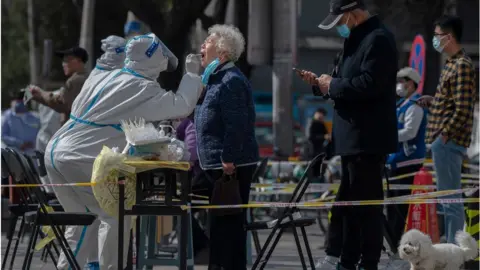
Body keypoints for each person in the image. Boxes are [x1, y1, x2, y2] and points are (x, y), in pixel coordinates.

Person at [43, 33, 204, 270]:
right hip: (79, 157)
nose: (162, 71)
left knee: (82, 221)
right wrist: (192, 75)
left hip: (55, 153)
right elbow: (181, 104)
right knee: (116, 214)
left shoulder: (107, 76)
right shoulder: (141, 88)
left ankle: (75, 267)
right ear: (155, 61)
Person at [298, 0, 398, 269]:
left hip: (367, 137)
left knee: (366, 206)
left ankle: (368, 261)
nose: (341, 27)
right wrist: (322, 85)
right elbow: (341, 81)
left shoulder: (378, 40)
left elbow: (369, 84)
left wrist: (334, 84)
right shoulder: (356, 40)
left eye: (342, 20)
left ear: (353, 14)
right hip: (350, 138)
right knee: (349, 206)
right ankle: (348, 259)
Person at [195, 24, 259, 270]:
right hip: (213, 164)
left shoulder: (230, 80)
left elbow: (238, 124)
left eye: (208, 41)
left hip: (229, 165)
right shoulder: (213, 78)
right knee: (220, 227)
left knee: (228, 228)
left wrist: (228, 158)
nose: (202, 46)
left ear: (222, 53)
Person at [417, 16, 477, 244]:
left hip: (448, 142)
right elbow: (453, 102)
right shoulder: (451, 63)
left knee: (450, 199)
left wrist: (444, 134)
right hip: (443, 141)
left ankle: (454, 249)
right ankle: (452, 245)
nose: (434, 39)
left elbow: (463, 109)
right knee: (446, 198)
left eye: (437, 35)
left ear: (448, 37)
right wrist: (435, 100)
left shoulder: (462, 65)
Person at [385, 67, 427, 268]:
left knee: (398, 211)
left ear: (410, 83)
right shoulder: (400, 105)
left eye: (401, 81)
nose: (398, 85)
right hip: (396, 161)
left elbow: (410, 132)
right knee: (392, 209)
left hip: (407, 162)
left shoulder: (415, 106)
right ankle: (394, 252)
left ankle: (398, 256)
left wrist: (386, 137)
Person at [28, 46, 89, 125]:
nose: (63, 64)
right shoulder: (89, 77)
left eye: (66, 60)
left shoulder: (75, 81)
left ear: (78, 61)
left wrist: (40, 93)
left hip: (74, 129)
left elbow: (59, 103)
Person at [308, 108, 330, 180]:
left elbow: (326, 134)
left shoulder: (321, 123)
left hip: (320, 151)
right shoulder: (312, 123)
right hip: (312, 151)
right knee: (312, 170)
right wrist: (323, 136)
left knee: (320, 170)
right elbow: (310, 137)